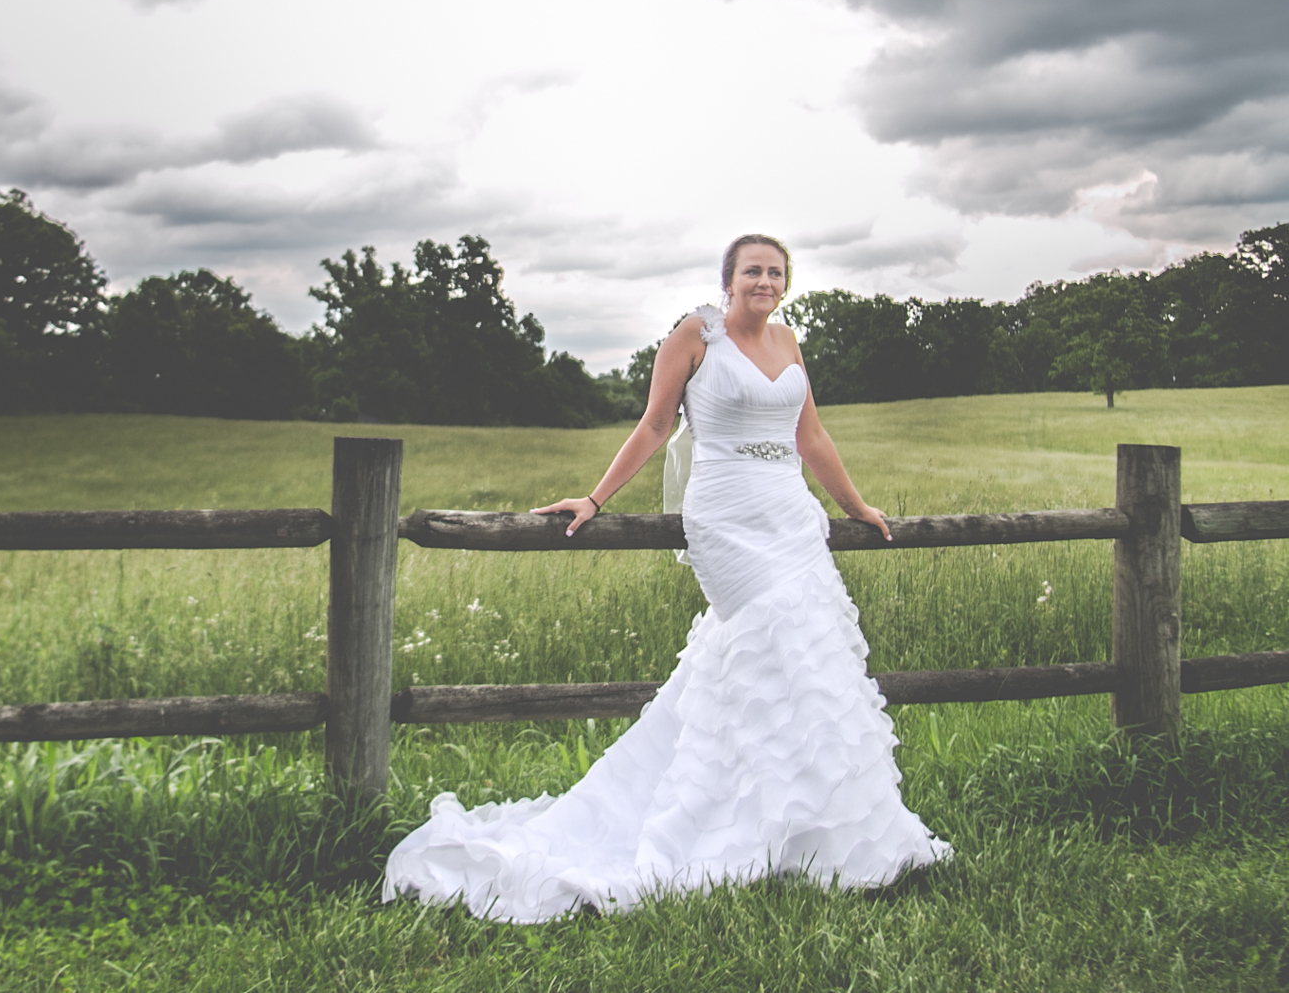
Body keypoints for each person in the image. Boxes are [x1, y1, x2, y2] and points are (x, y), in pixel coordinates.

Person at [382, 233, 950, 922]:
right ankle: (747, 822)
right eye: (751, 271)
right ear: (728, 280)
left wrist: (855, 506)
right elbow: (654, 425)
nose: (763, 281)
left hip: (790, 518)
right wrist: (594, 498)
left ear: (785, 282)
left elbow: (812, 438)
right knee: (778, 642)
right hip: (726, 518)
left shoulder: (790, 342)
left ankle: (814, 832)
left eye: (774, 272)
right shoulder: (694, 335)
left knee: (814, 661)